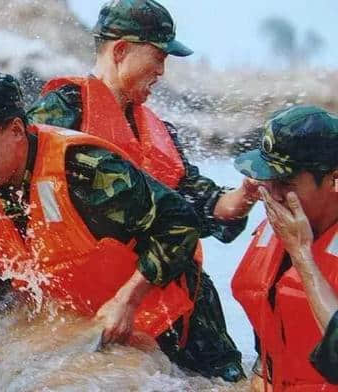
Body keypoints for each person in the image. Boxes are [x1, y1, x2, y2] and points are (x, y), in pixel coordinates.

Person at [26, 0, 258, 381]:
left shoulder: (161, 131)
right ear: (121, 51)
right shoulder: (59, 115)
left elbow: (205, 204)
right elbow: (4, 188)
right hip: (111, 318)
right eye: (158, 57)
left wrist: (247, 194)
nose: (163, 72)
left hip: (188, 318)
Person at [0, 71, 203, 352]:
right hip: (95, 335)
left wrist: (127, 300)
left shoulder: (85, 171)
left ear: (16, 131)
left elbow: (182, 221)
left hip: (172, 327)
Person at [232, 105, 338, 391]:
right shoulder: (277, 229)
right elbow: (269, 343)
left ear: (334, 179)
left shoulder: (294, 238)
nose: (273, 194)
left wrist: (303, 256)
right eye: (269, 179)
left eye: (286, 183)